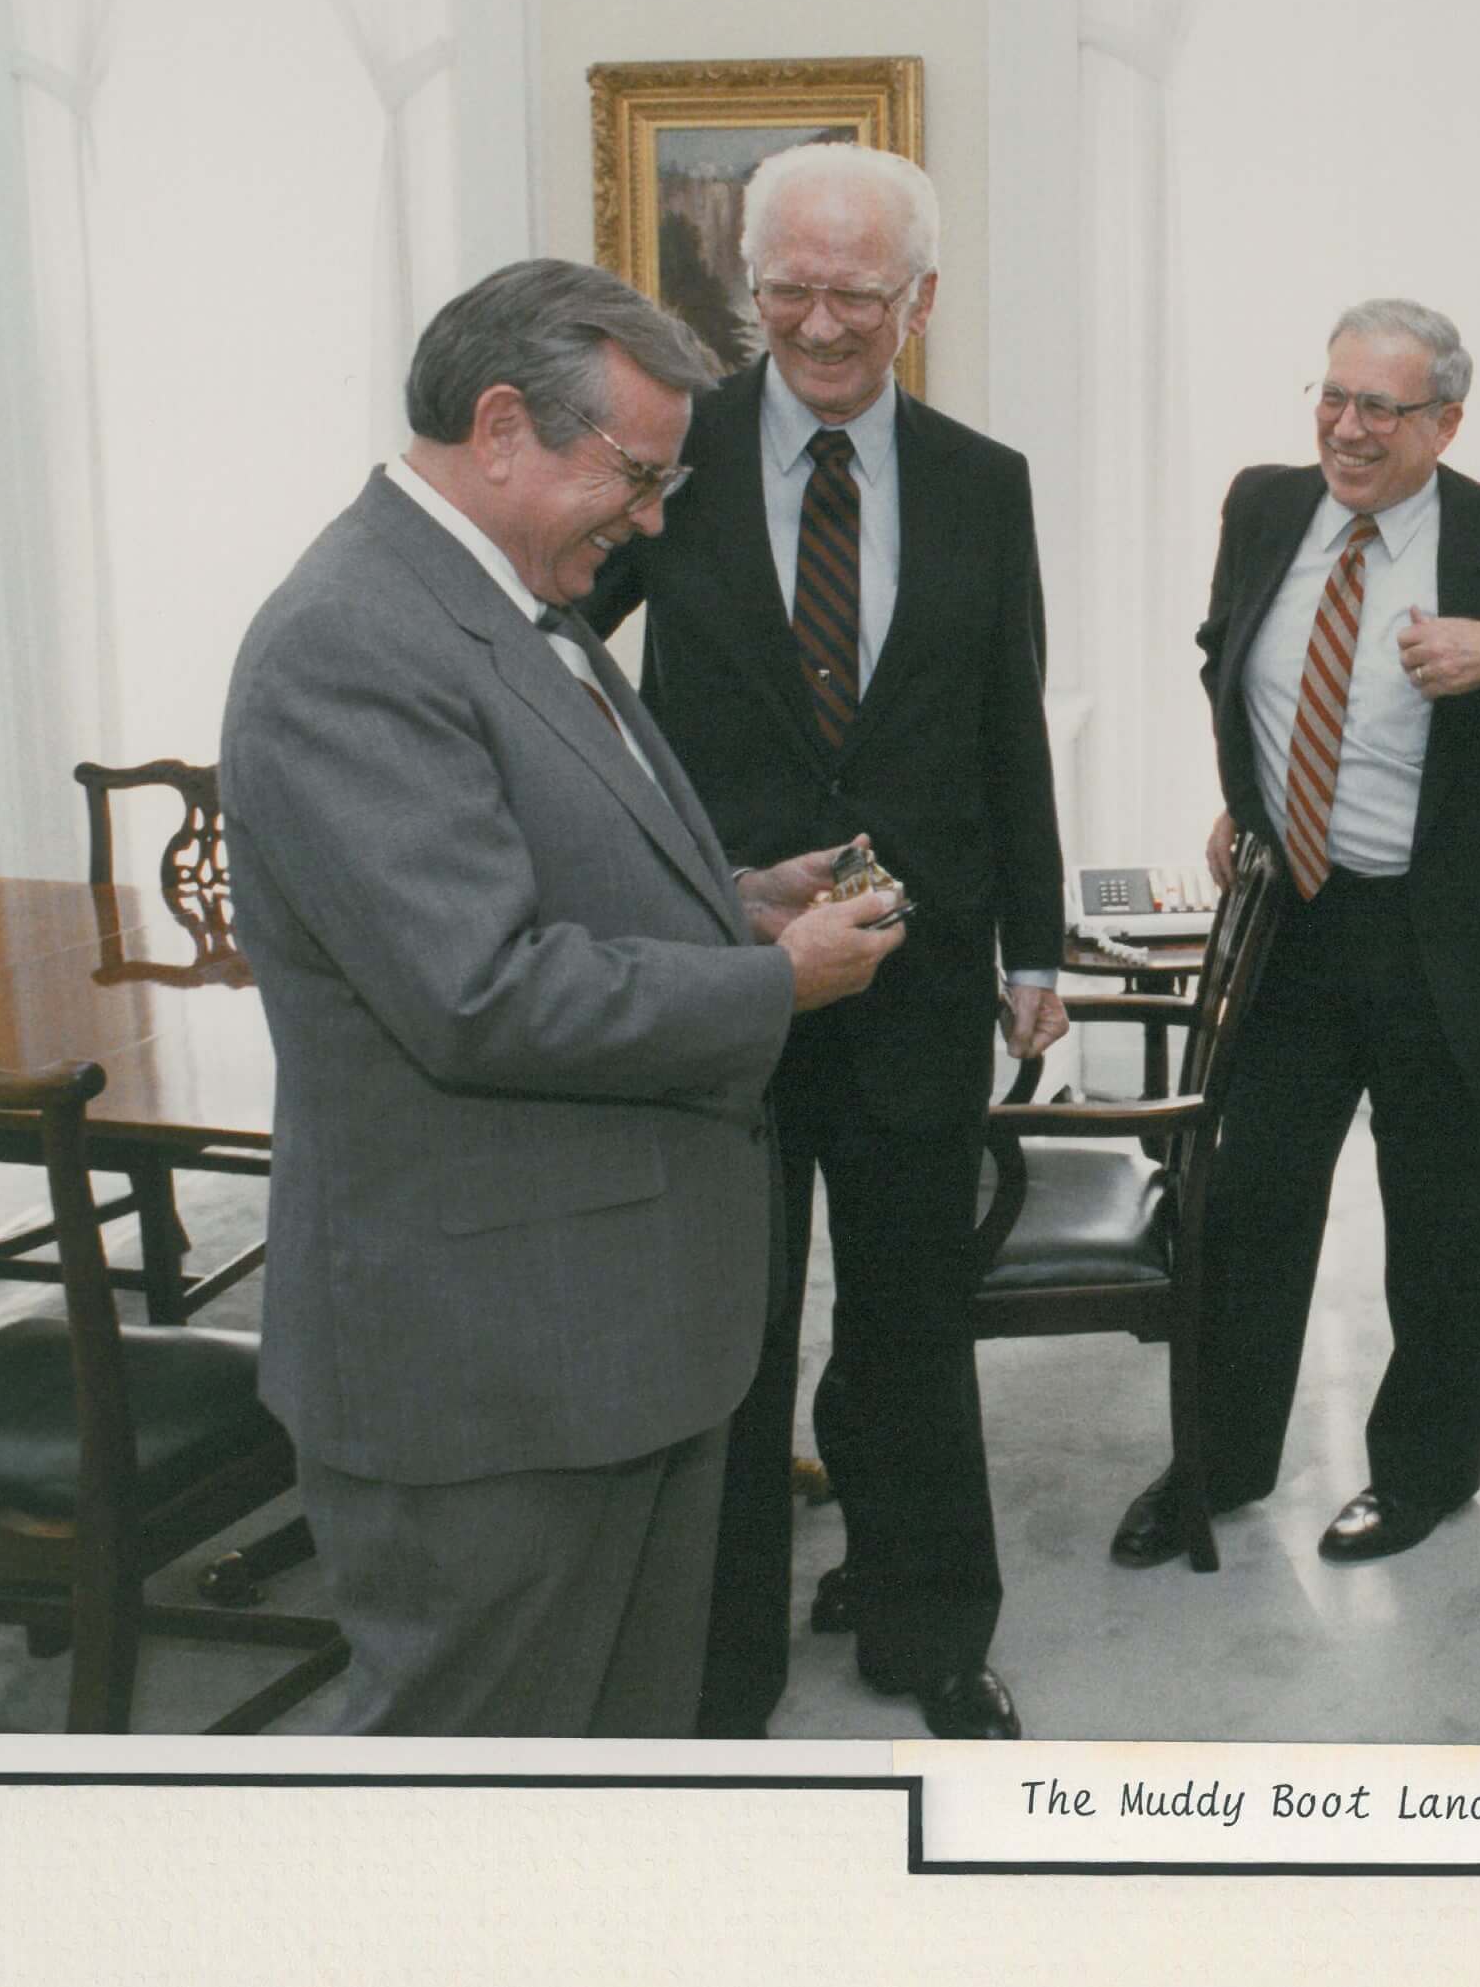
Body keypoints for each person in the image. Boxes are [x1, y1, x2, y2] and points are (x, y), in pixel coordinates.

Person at [219, 258, 910, 1735]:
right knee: (473, 1803)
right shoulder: (352, 637)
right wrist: (773, 983)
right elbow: (476, 991)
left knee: (612, 1766)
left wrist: (733, 901)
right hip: (493, 1373)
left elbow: (530, 881)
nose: (655, 520)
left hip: (603, 1346)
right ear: (502, 426)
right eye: (639, 476)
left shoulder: (509, 599)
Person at [583, 143, 1064, 1742]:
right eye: (786, 289)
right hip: (715, 961)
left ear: (920, 299)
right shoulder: (679, 455)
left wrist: (1035, 947)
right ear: (748, 288)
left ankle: (931, 1624)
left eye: (858, 293)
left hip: (919, 972)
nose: (820, 324)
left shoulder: (984, 479)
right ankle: (719, 1658)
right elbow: (555, 667)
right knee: (732, 1317)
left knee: (913, 1316)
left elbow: (1009, 731)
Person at [1106, 299, 1480, 1573]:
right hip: (1296, 924)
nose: (1344, 427)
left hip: (1455, 944)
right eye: (1331, 396)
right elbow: (1226, 654)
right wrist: (1252, 796)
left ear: (1445, 422)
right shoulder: (1264, 505)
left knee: (1444, 1229)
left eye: (1378, 408)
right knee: (1248, 1205)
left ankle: (1421, 1476)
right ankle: (1218, 1459)